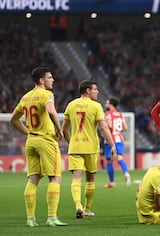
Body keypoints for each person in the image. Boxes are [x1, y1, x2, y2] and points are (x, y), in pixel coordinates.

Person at [10, 67, 67, 227]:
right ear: (41, 80)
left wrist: (27, 131)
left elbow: (13, 119)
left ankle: (30, 219)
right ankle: (52, 217)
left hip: (31, 141)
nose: (53, 80)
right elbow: (51, 111)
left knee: (33, 179)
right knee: (55, 177)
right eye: (50, 77)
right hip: (46, 140)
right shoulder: (46, 94)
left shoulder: (26, 97)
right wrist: (59, 129)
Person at [62, 80, 116, 219]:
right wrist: (112, 145)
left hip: (75, 147)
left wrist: (71, 142)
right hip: (91, 147)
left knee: (76, 178)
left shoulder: (71, 105)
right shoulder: (96, 106)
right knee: (90, 178)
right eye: (95, 89)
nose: (97, 92)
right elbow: (103, 128)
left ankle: (78, 205)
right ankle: (86, 208)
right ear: (87, 91)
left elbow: (64, 129)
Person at [103, 96, 131, 188]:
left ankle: (111, 182)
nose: (106, 104)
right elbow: (126, 128)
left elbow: (110, 125)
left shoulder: (107, 114)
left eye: (107, 103)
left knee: (109, 161)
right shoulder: (120, 114)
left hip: (110, 140)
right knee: (120, 158)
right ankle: (126, 174)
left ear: (111, 104)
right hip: (119, 138)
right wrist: (118, 131)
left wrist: (104, 124)